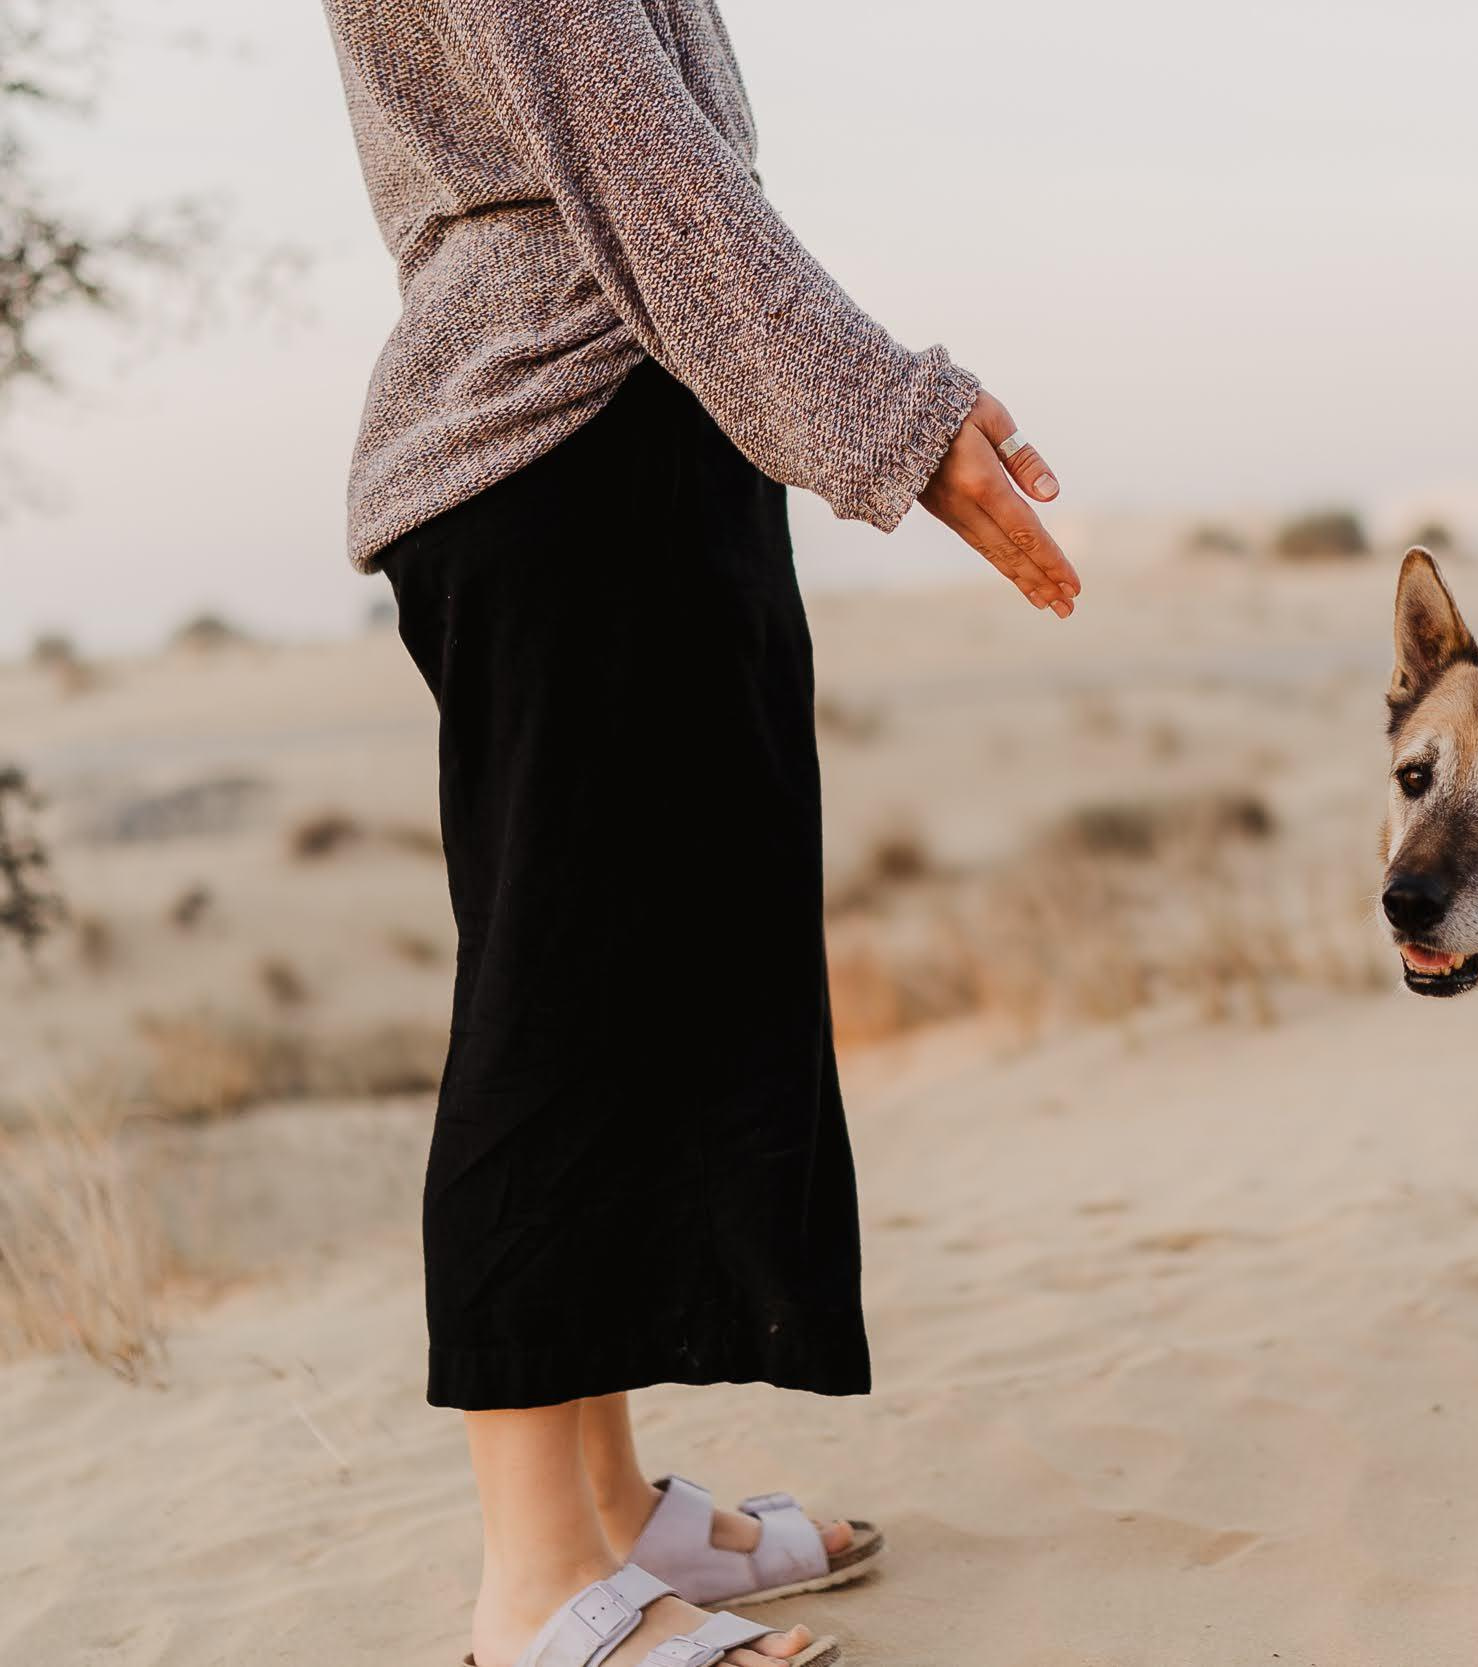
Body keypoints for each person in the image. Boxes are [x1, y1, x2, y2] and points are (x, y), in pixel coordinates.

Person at [320, 3, 1082, 1663]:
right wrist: (891, 413)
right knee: (561, 1014)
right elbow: (637, 150)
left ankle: (604, 1513)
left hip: (634, 428)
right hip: (558, 444)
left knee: (644, 998)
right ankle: (533, 1584)